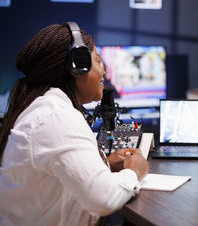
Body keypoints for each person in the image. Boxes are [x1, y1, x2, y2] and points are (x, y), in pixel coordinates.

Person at [0, 23, 148, 225]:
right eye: (98, 61)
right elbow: (104, 199)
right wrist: (134, 172)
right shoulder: (55, 116)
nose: (104, 72)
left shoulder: (48, 107)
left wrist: (105, 162)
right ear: (78, 65)